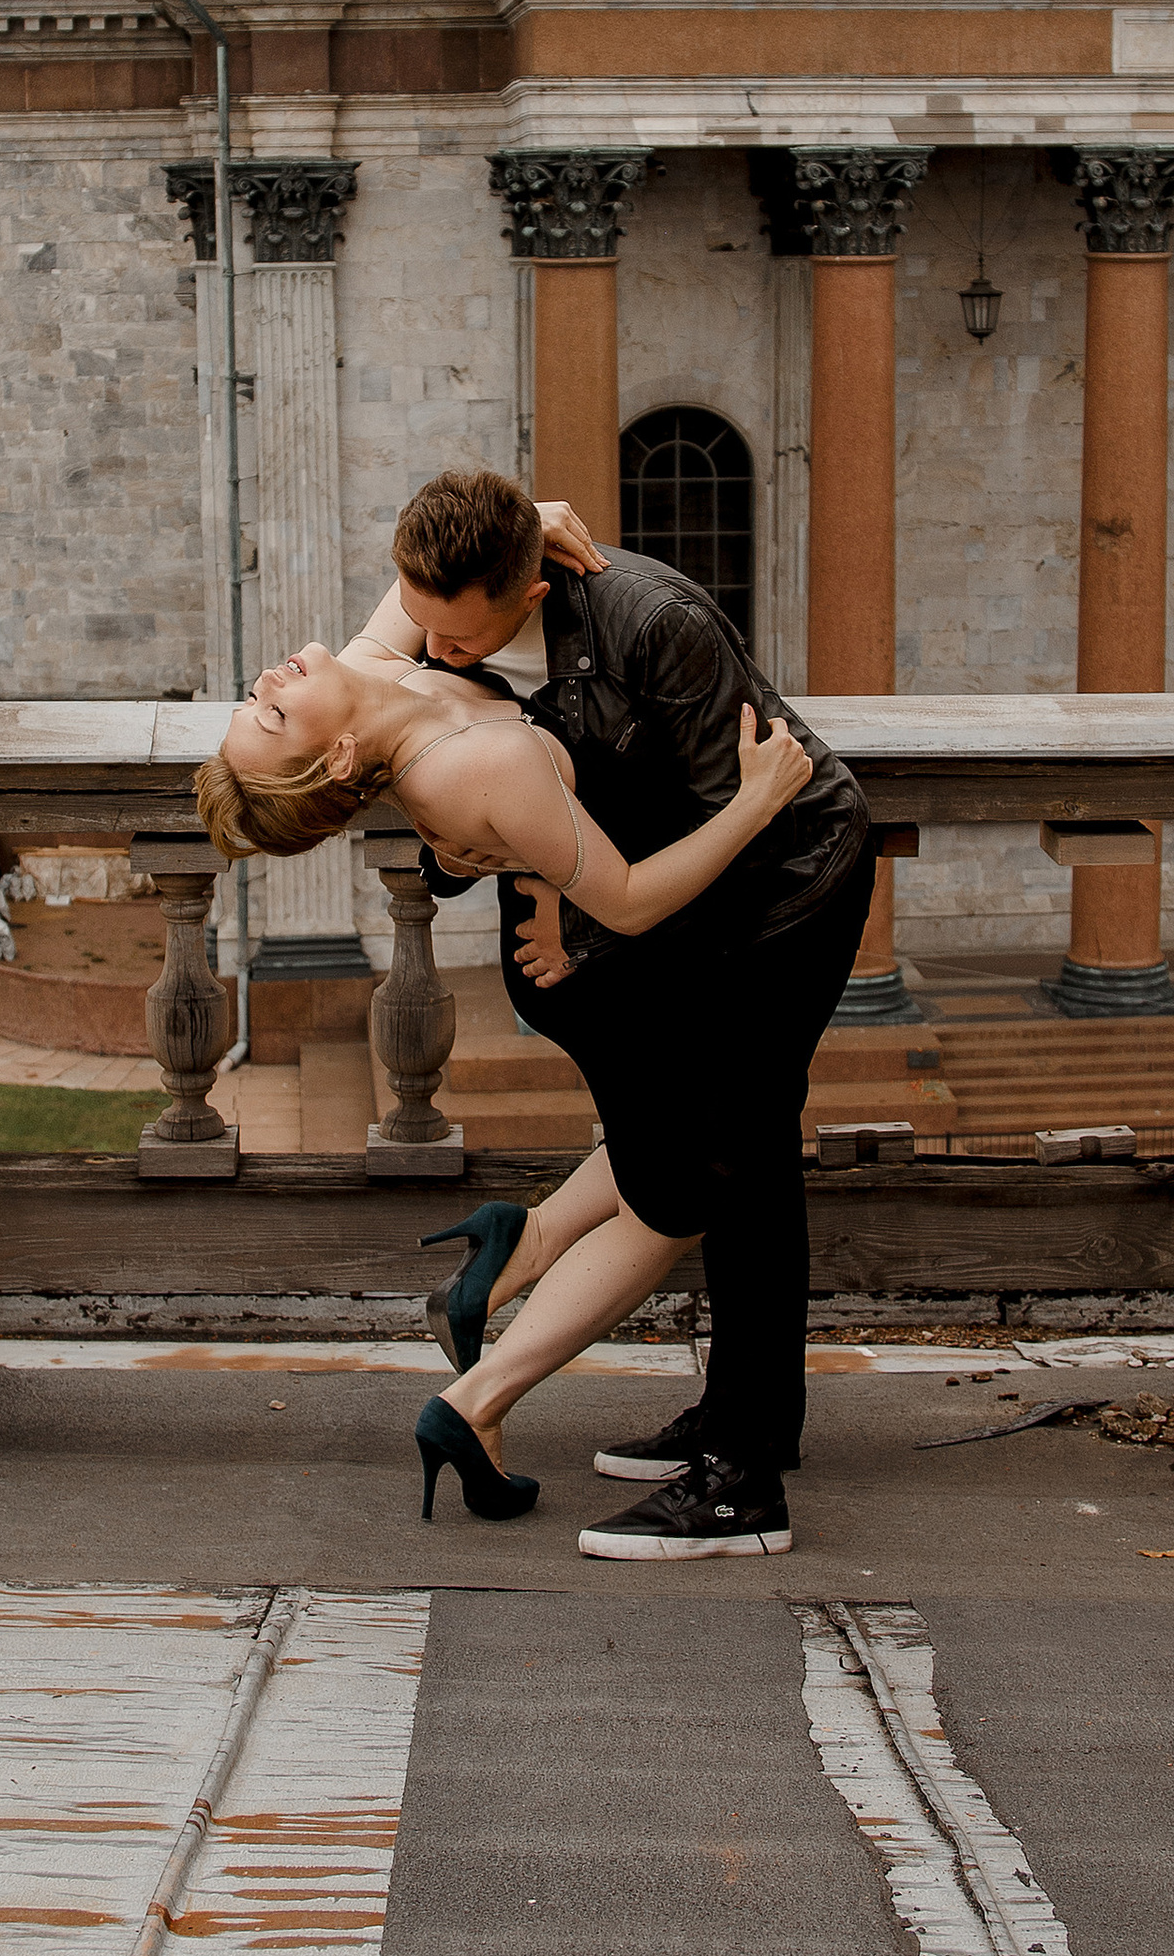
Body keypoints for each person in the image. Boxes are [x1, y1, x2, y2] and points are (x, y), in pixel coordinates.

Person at [195, 522, 834, 1548]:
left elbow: (447, 576)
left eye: (254, 700)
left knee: (685, 1159)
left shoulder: (367, 671)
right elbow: (622, 899)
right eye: (271, 712)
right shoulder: (462, 764)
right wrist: (754, 806)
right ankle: (484, 1396)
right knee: (682, 1196)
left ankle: (536, 1267)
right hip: (597, 976)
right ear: (341, 755)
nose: (267, 679)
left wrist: (524, 522)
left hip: (584, 952)